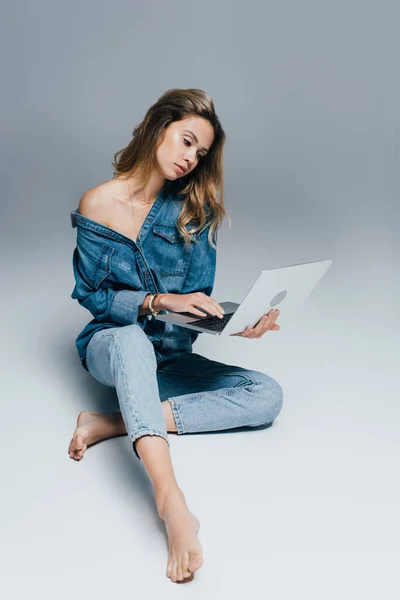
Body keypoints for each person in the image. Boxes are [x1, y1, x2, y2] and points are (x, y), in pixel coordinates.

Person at [68, 88, 283, 583]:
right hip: (113, 345)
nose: (190, 158)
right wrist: (156, 302)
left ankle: (113, 421)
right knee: (129, 339)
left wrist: (232, 323)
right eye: (186, 141)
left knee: (266, 396)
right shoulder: (97, 203)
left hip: (170, 355)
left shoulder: (194, 213)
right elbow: (93, 297)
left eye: (200, 153)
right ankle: (170, 500)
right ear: (158, 127)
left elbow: (197, 303)